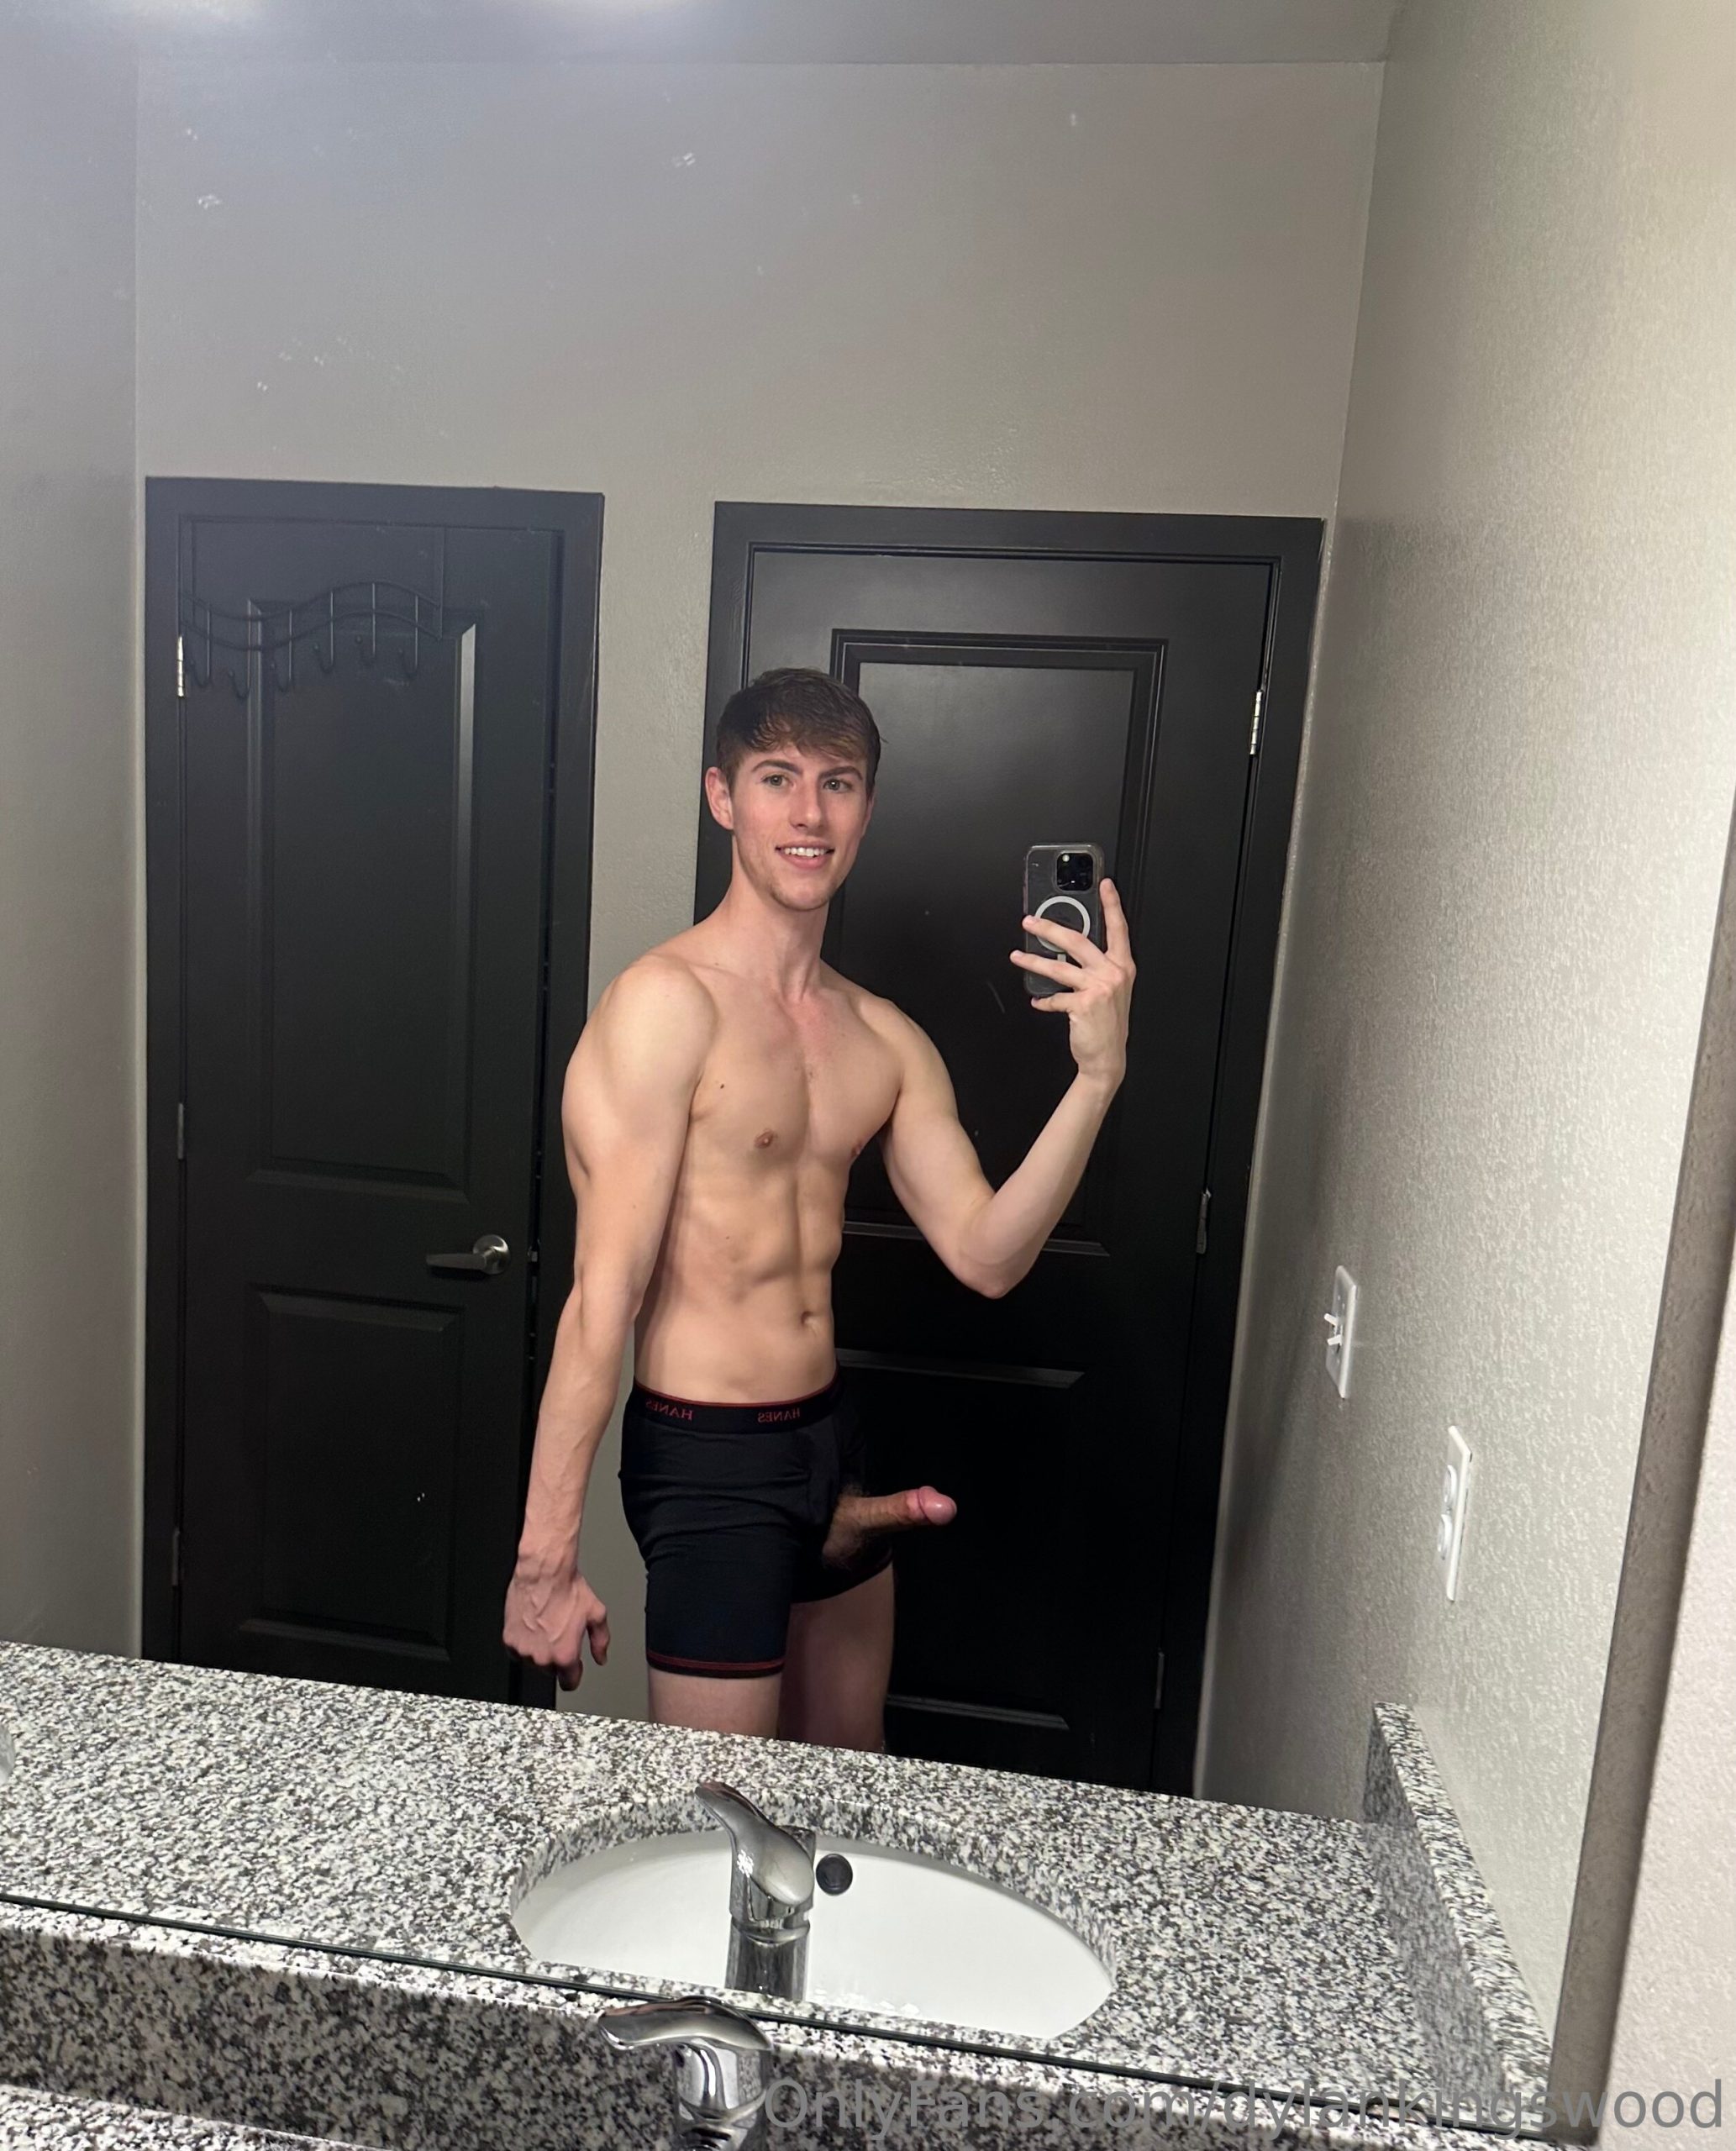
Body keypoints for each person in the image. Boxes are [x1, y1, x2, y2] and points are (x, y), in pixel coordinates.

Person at [502, 668, 1134, 1747]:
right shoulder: (664, 1007)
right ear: (722, 797)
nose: (808, 813)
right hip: (706, 1457)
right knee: (724, 1808)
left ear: (866, 809)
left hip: (829, 1436)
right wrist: (543, 1558)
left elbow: (987, 1254)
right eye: (775, 778)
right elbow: (601, 1298)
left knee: (849, 1782)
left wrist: (1095, 1077)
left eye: (836, 783)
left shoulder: (880, 1035)